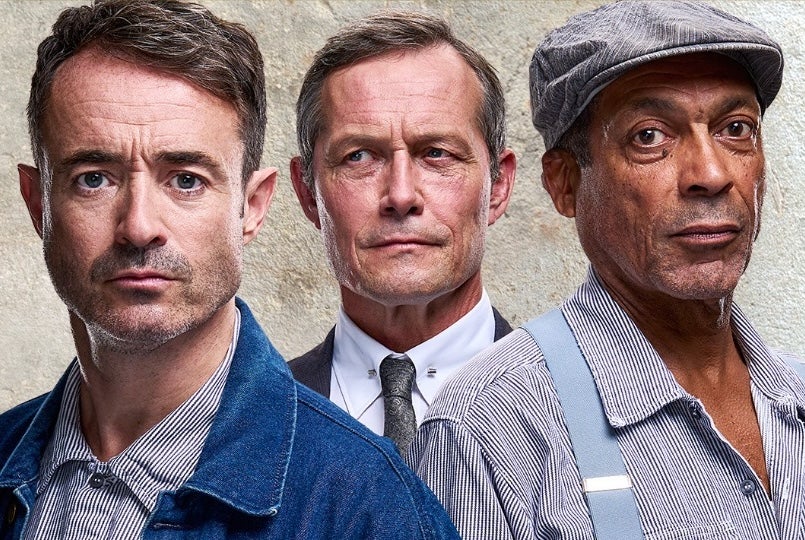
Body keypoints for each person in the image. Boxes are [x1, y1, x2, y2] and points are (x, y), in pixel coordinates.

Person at [0, 2, 460, 538]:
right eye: (94, 179)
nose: (139, 226)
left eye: (187, 179)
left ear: (253, 206)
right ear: (37, 204)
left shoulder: (367, 505)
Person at [409, 1, 805, 538]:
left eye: (736, 128)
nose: (710, 174)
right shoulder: (491, 431)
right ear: (564, 183)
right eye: (649, 136)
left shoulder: (796, 396)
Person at [289, 11, 516, 454]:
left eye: (436, 153)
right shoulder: (247, 425)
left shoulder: (576, 405)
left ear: (498, 187)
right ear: (308, 193)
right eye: (358, 157)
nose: (400, 194)